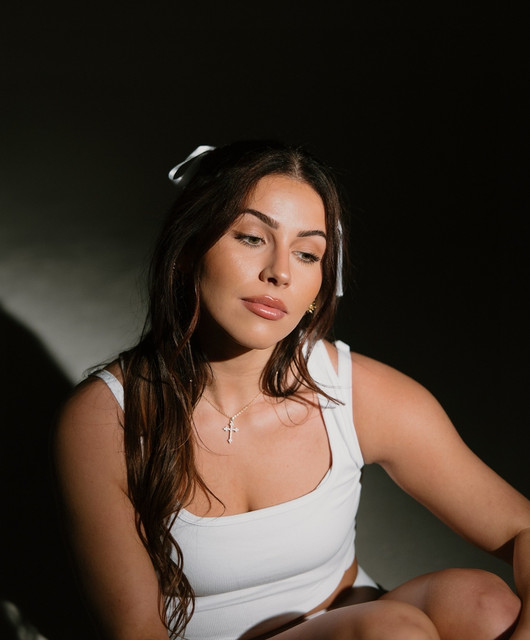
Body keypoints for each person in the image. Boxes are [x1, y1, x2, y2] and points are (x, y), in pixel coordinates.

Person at [53, 140, 530, 640]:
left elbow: (521, 527)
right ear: (190, 247)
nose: (279, 272)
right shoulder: (105, 419)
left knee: (485, 603)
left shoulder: (355, 391)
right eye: (251, 238)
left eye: (306, 254)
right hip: (378, 633)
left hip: (364, 625)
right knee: (392, 631)